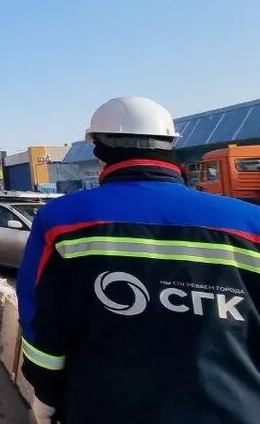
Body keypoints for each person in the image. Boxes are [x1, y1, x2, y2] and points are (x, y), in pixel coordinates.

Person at [17, 97, 260, 424]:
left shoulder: (63, 220)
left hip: (101, 407)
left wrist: (47, 395)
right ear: (171, 146)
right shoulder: (251, 225)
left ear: (99, 149)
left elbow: (42, 321)